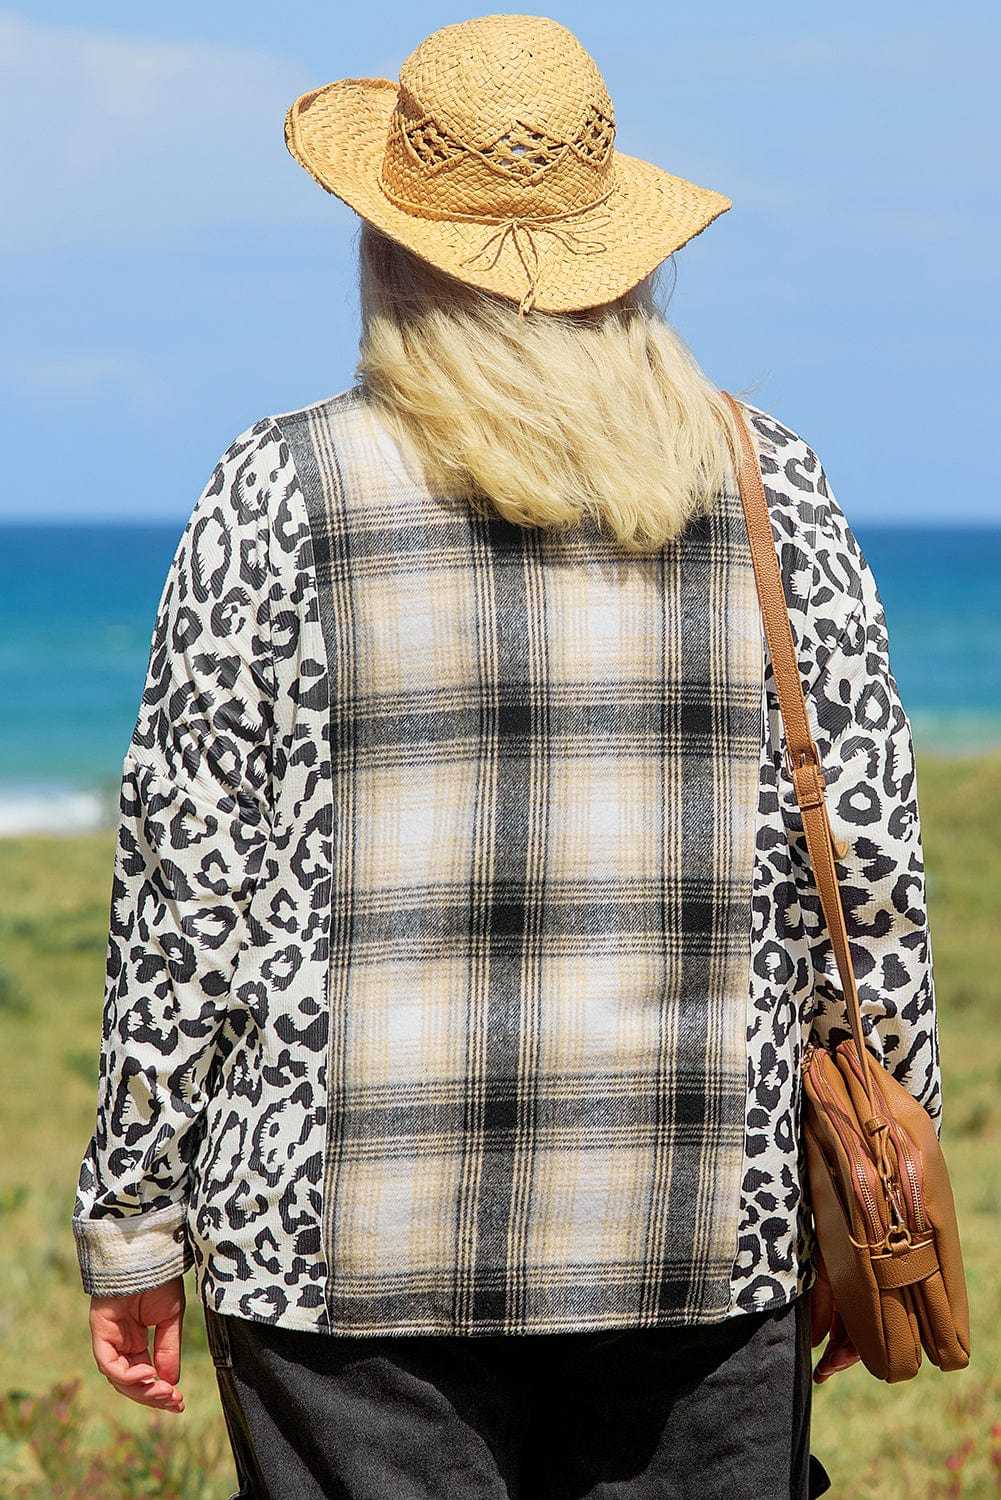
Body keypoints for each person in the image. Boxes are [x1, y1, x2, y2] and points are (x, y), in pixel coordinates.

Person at [71, 15, 941, 1499]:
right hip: (699, 1228)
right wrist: (873, 1182)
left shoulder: (278, 489)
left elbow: (185, 897)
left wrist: (136, 1220)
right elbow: (863, 871)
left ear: (389, 246)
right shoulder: (771, 483)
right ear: (621, 248)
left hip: (340, 1253)